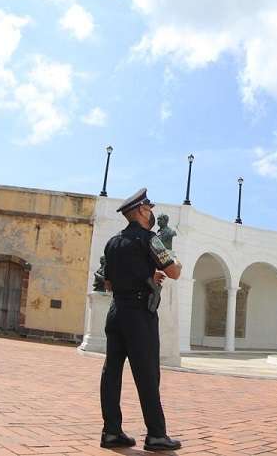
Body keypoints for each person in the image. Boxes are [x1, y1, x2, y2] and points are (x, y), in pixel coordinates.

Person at [99, 188, 183, 452]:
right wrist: (166, 267)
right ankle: (156, 435)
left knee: (111, 372)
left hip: (117, 312)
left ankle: (111, 431)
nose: (152, 213)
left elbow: (109, 282)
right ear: (141, 211)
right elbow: (174, 271)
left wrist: (148, 278)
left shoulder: (112, 242)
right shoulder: (150, 239)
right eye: (150, 208)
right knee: (147, 373)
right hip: (139, 315)